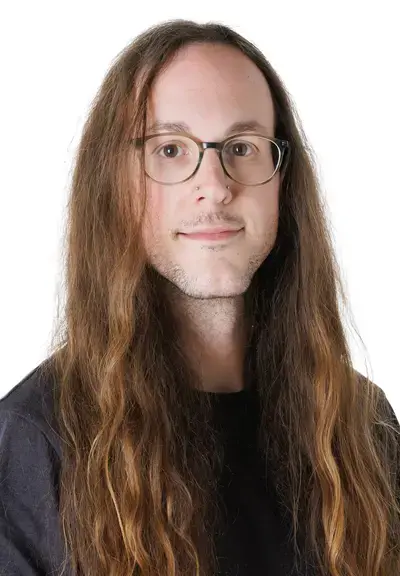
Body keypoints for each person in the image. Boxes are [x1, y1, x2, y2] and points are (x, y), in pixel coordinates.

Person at [0, 18, 399, 576]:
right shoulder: (37, 442)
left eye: (242, 146)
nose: (214, 182)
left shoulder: (362, 429)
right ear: (113, 186)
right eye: (169, 149)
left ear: (283, 181)